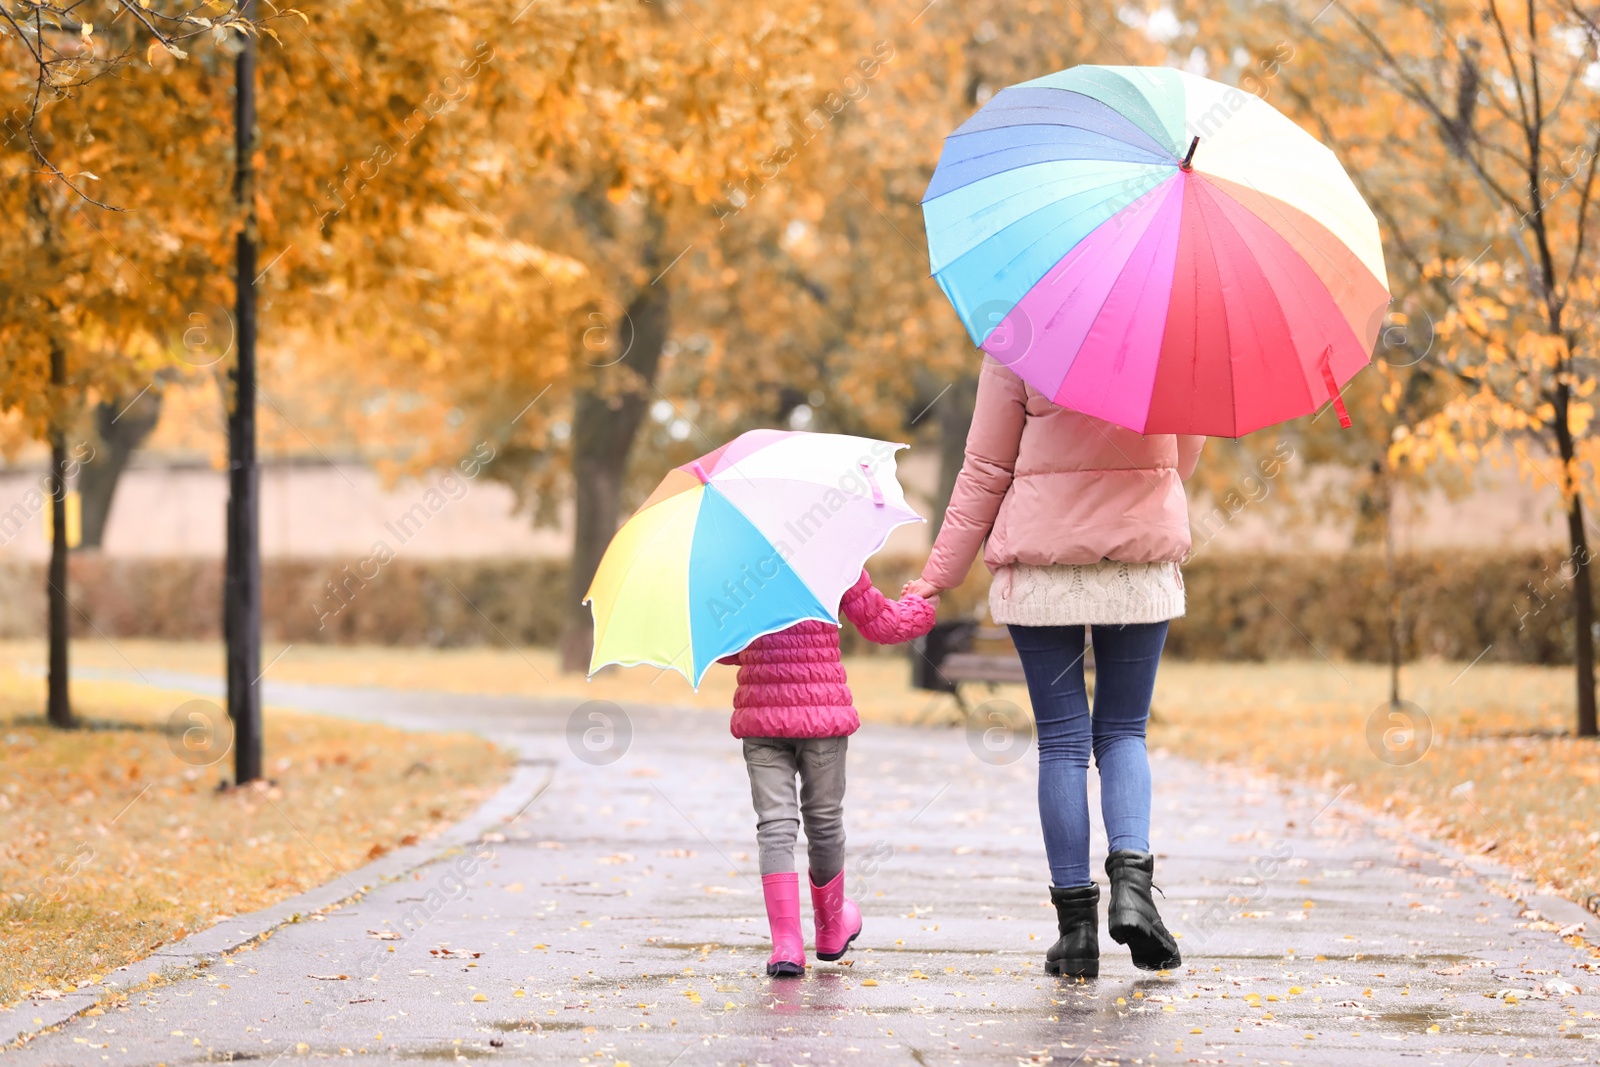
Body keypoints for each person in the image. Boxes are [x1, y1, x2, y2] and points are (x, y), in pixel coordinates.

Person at [903, 357, 1204, 978]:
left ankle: (1076, 935)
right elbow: (1186, 450)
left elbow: (985, 470)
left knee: (1063, 742)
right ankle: (1133, 891)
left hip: (1042, 567)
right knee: (1124, 731)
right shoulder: (1172, 327)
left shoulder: (1020, 332)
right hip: (1138, 563)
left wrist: (938, 577)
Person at [723, 569, 935, 977]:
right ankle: (831, 927)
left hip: (761, 716)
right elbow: (884, 625)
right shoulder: (834, 558)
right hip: (822, 714)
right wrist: (922, 605)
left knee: (775, 827)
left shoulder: (742, 568)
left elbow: (729, 650)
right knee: (823, 822)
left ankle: (786, 946)